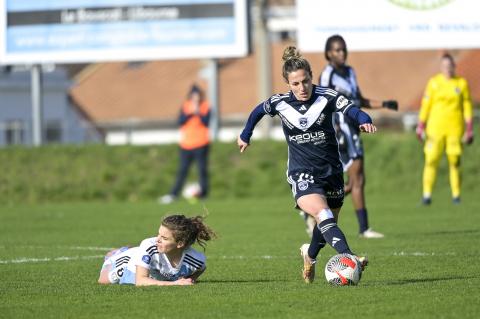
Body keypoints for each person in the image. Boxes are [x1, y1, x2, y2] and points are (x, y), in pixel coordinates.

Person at [237, 46, 375, 283]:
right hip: (302, 173)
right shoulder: (280, 103)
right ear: (287, 84)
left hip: (332, 171)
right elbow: (258, 111)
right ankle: (350, 258)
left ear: (312, 77)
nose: (302, 88)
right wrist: (245, 134)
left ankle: (309, 256)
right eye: (295, 84)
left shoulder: (326, 96)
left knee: (325, 226)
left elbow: (351, 109)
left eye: (305, 81)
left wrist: (365, 120)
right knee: (323, 215)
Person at [310, 34, 398, 239]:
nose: (341, 53)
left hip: (354, 127)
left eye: (343, 49)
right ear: (328, 53)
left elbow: (358, 100)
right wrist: (331, 129)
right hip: (341, 130)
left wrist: (383, 104)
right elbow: (323, 103)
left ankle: (318, 211)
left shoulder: (350, 72)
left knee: (356, 179)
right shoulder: (328, 75)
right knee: (355, 177)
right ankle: (362, 228)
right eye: (336, 50)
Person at [416, 53, 474, 205]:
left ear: (454, 66)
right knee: (431, 160)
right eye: (445, 66)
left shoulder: (461, 84)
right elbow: (426, 106)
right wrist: (421, 126)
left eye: (450, 66)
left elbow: (467, 107)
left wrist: (469, 128)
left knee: (454, 160)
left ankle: (456, 195)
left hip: (455, 128)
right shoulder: (434, 83)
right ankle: (426, 195)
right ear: (441, 67)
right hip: (435, 129)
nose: (448, 69)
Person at [97, 214, 216, 286]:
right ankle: (120, 252)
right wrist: (174, 284)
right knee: (103, 281)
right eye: (158, 234)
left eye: (164, 238)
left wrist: (190, 279)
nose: (157, 239)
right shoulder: (150, 245)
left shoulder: (196, 259)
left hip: (149, 263)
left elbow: (201, 267)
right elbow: (140, 281)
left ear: (180, 244)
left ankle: (133, 250)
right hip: (131, 264)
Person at [159, 85, 211, 204]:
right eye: (194, 96)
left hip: (201, 143)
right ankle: (173, 194)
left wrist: (198, 112)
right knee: (182, 170)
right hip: (186, 145)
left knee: (202, 170)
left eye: (198, 96)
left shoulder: (205, 106)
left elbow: (206, 122)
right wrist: (190, 113)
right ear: (191, 96)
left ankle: (204, 194)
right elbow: (180, 121)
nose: (196, 98)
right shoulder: (186, 106)